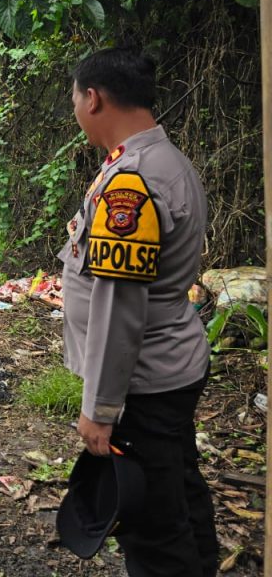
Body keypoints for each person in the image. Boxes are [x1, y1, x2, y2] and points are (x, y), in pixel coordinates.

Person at [59, 47, 218, 577]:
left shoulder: (132, 183)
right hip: (168, 369)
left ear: (94, 98)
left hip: (143, 384)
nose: (76, 111)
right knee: (177, 492)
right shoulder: (161, 161)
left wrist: (100, 408)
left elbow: (118, 306)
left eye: (76, 99)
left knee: (151, 528)